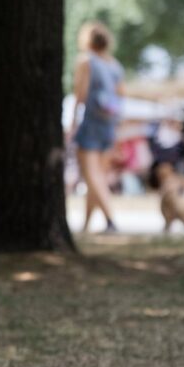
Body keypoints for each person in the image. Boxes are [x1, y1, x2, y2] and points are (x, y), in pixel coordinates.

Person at [68, 21, 125, 233]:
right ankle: (86, 224)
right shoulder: (115, 65)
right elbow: (121, 97)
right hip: (109, 124)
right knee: (97, 175)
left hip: (92, 122)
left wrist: (72, 122)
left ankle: (111, 220)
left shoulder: (86, 61)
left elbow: (80, 95)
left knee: (92, 175)